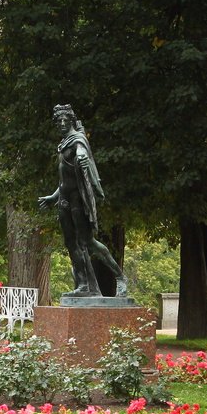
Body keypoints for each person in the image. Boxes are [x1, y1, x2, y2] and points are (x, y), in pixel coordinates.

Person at [37, 104, 128, 299]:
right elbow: (65, 178)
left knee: (88, 241)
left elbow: (82, 152)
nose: (62, 123)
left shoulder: (78, 140)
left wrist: (82, 157)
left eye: (65, 120)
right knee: (71, 243)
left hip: (78, 199)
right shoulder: (62, 144)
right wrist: (53, 197)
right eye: (59, 121)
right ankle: (84, 284)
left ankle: (120, 277)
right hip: (64, 199)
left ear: (71, 121)